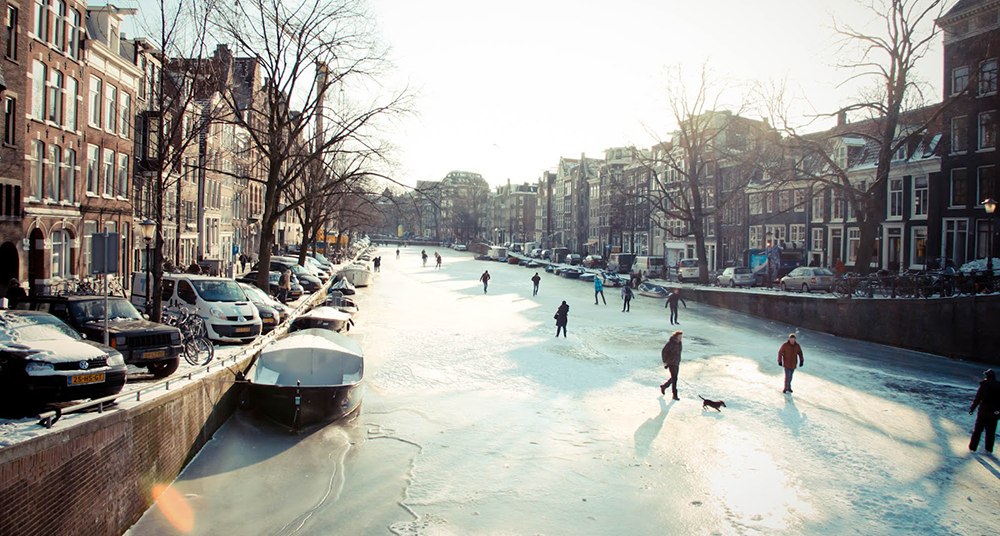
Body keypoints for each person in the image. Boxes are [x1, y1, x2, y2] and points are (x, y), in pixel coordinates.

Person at [969, 369, 1000, 453]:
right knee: (990, 432)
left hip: (983, 412)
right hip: (994, 414)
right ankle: (989, 449)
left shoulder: (984, 385)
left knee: (977, 431)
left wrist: (972, 409)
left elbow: (978, 399)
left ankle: (973, 448)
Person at [659, 331, 683, 400]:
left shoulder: (679, 343)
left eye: (681, 337)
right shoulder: (670, 343)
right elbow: (664, 352)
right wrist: (665, 361)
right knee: (674, 378)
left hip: (676, 362)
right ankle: (674, 395)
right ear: (676, 337)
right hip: (671, 362)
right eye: (679, 337)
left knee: (674, 377)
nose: (681, 338)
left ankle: (664, 386)